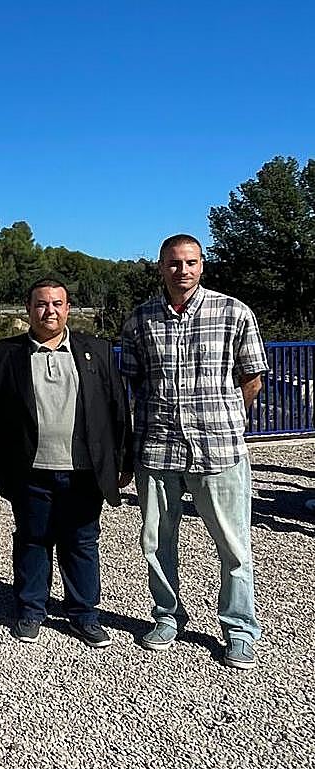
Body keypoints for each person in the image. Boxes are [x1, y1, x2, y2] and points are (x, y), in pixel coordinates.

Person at [120, 233, 269, 670]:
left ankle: (239, 629)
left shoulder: (233, 312)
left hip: (219, 450)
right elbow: (131, 382)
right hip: (158, 449)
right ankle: (168, 616)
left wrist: (225, 419)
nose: (181, 271)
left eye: (189, 262)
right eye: (172, 263)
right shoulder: (140, 319)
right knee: (156, 543)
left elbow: (252, 378)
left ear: (202, 265)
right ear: (160, 266)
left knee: (234, 547)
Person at [0, 278, 132, 647]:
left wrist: (123, 460)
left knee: (82, 541)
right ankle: (30, 609)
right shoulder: (4, 354)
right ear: (28, 310)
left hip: (83, 471)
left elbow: (117, 409)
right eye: (40, 304)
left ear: (67, 308)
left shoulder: (96, 350)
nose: (48, 311)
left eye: (56, 303)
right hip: (29, 470)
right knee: (33, 539)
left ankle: (84, 614)